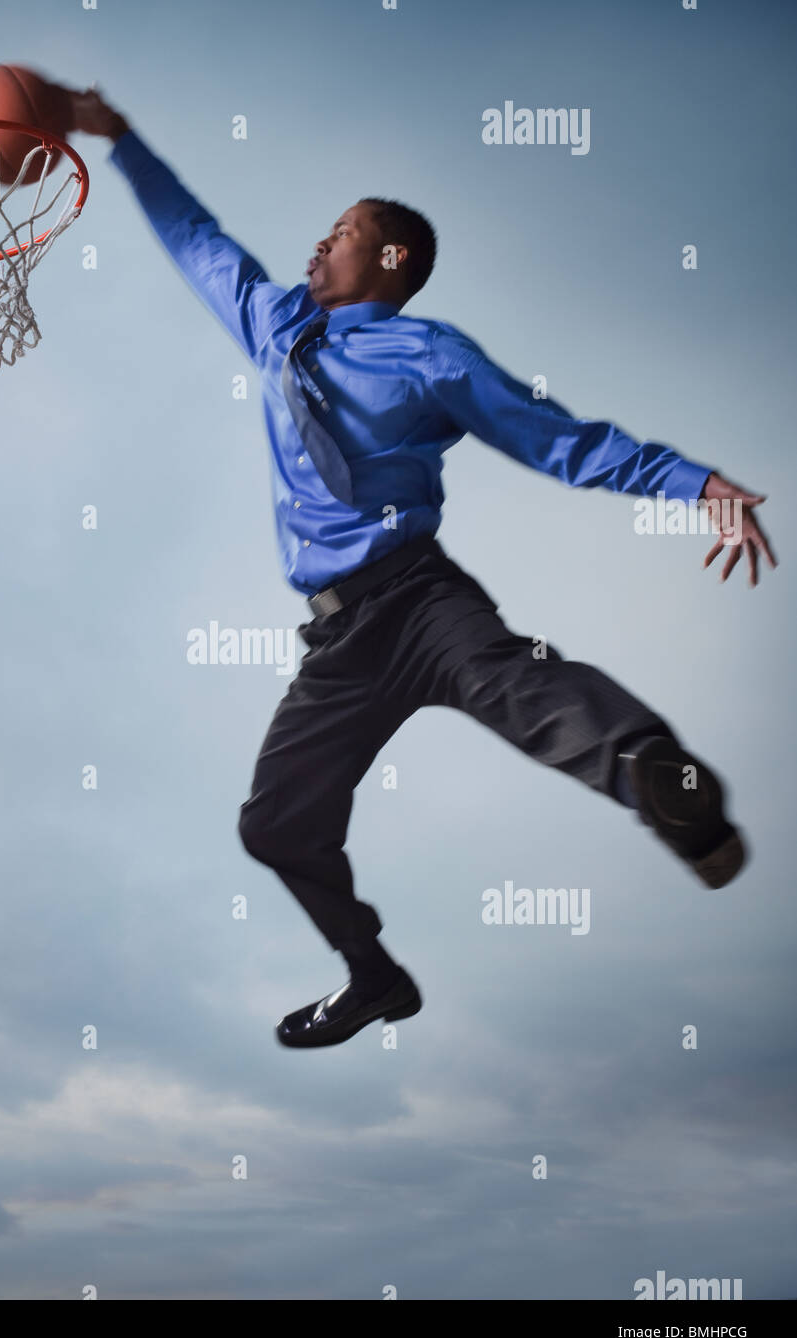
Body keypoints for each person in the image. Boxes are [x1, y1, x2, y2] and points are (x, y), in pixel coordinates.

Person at [70, 87, 777, 1050]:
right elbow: (199, 239)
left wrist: (693, 484)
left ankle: (661, 779)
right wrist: (120, 141)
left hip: (418, 596)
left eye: (343, 231)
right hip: (338, 639)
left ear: (391, 259)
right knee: (275, 826)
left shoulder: (430, 355)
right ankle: (373, 979)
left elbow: (556, 440)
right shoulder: (276, 324)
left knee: (514, 682)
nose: (319, 244)